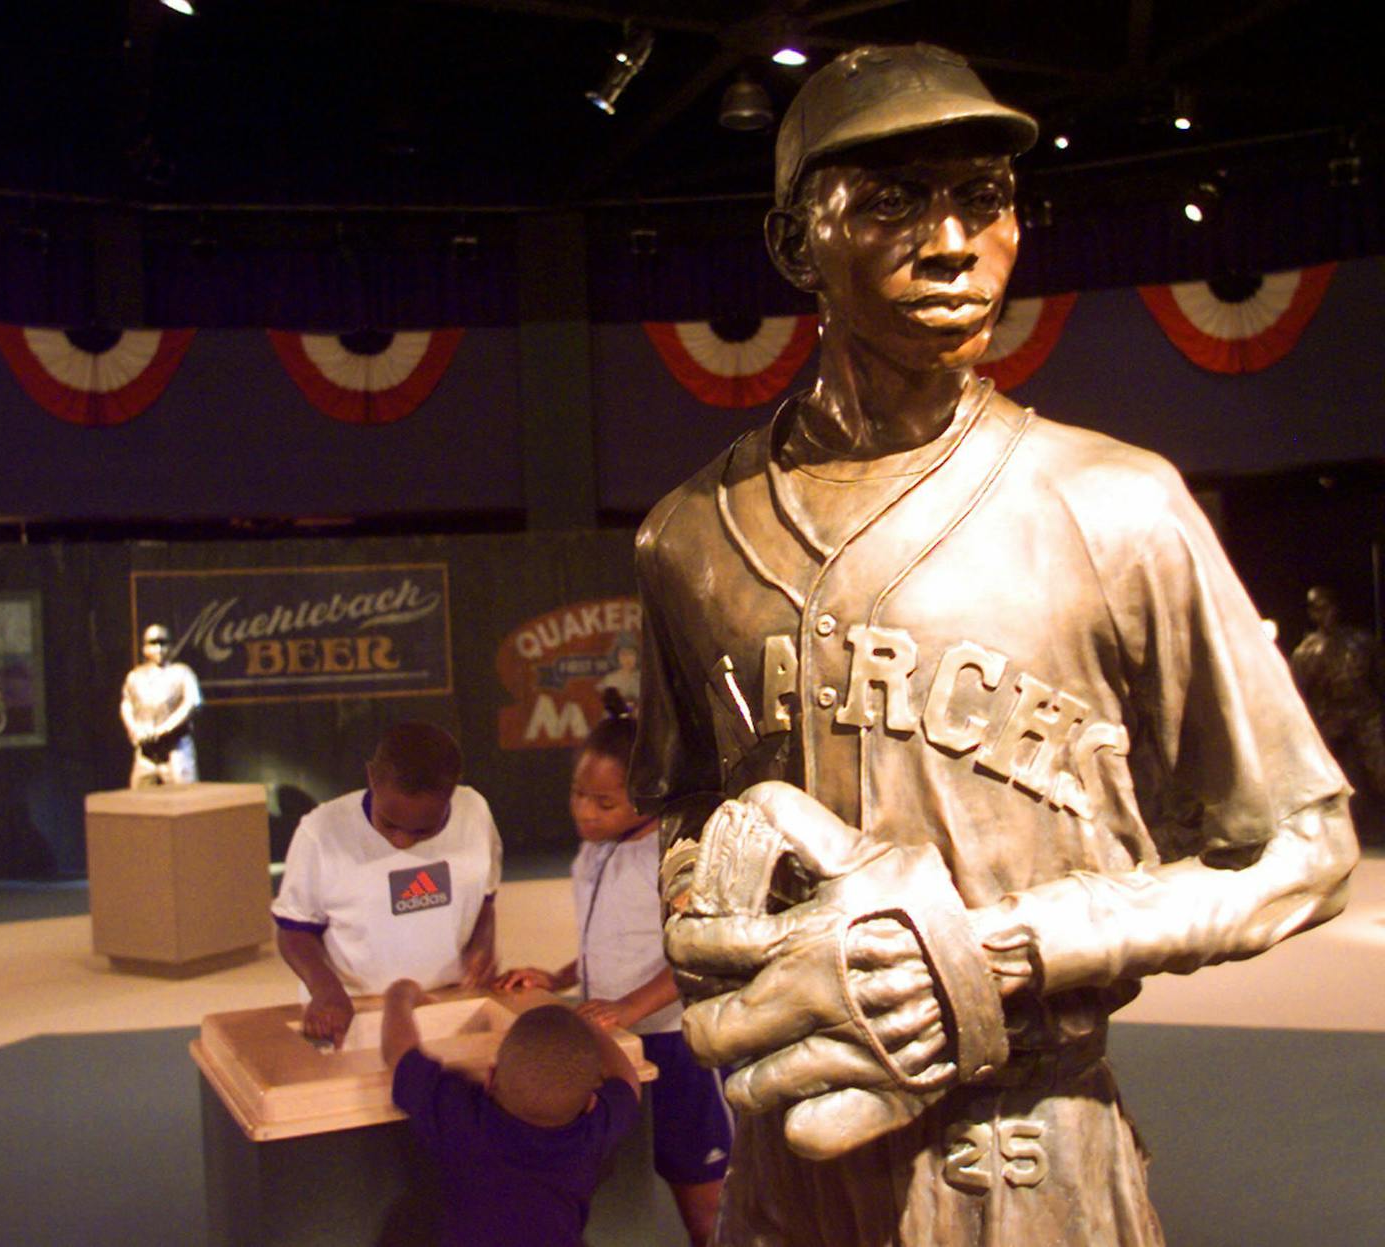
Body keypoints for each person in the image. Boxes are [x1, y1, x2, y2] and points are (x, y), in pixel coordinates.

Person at [630, 43, 1358, 1247]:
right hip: (786, 1159)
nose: (953, 240)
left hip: (1024, 1149)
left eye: (982, 197)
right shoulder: (687, 536)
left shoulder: (1115, 502)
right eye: (890, 202)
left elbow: (1303, 843)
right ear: (790, 244)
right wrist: (716, 913)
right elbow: (686, 802)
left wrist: (999, 951)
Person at [496, 691, 729, 1246]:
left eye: (604, 803)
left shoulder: (675, 861)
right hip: (614, 1043)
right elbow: (610, 942)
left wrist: (629, 1007)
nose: (584, 812)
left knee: (702, 1191)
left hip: (678, 1046)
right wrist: (558, 979)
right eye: (578, 794)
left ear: (650, 794)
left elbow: (698, 955)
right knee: (623, 1183)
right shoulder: (595, 852)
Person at [272, 721, 501, 1047]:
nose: (402, 841)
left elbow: (486, 895)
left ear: (452, 793)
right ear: (371, 778)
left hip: (451, 1002)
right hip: (357, 1011)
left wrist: (483, 944)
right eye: (389, 824)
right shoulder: (321, 832)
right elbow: (294, 929)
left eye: (423, 831)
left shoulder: (475, 812)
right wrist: (325, 991)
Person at [382, 983, 641, 1247]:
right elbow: (628, 1081)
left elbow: (399, 1053)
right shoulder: (592, 1133)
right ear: (590, 1103)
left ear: (490, 1078)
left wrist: (400, 995)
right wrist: (591, 1028)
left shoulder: (461, 1113)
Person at [1290, 584, 1385, 802]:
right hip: (1330, 714)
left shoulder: (1360, 641)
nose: (1325, 614)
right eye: (1318, 609)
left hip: (1365, 711)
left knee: (1380, 765)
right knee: (1320, 770)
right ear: (1312, 613)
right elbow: (1301, 694)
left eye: (1328, 607)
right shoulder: (1306, 652)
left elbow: (1378, 676)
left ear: (1336, 608)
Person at [120, 623, 202, 786]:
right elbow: (126, 704)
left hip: (176, 750)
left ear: (171, 647)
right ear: (144, 648)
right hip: (146, 754)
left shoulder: (182, 672)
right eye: (153, 643)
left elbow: (192, 703)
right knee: (138, 803)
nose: (158, 648)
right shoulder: (135, 676)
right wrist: (134, 730)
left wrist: (162, 730)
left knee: (185, 800)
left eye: (163, 643)